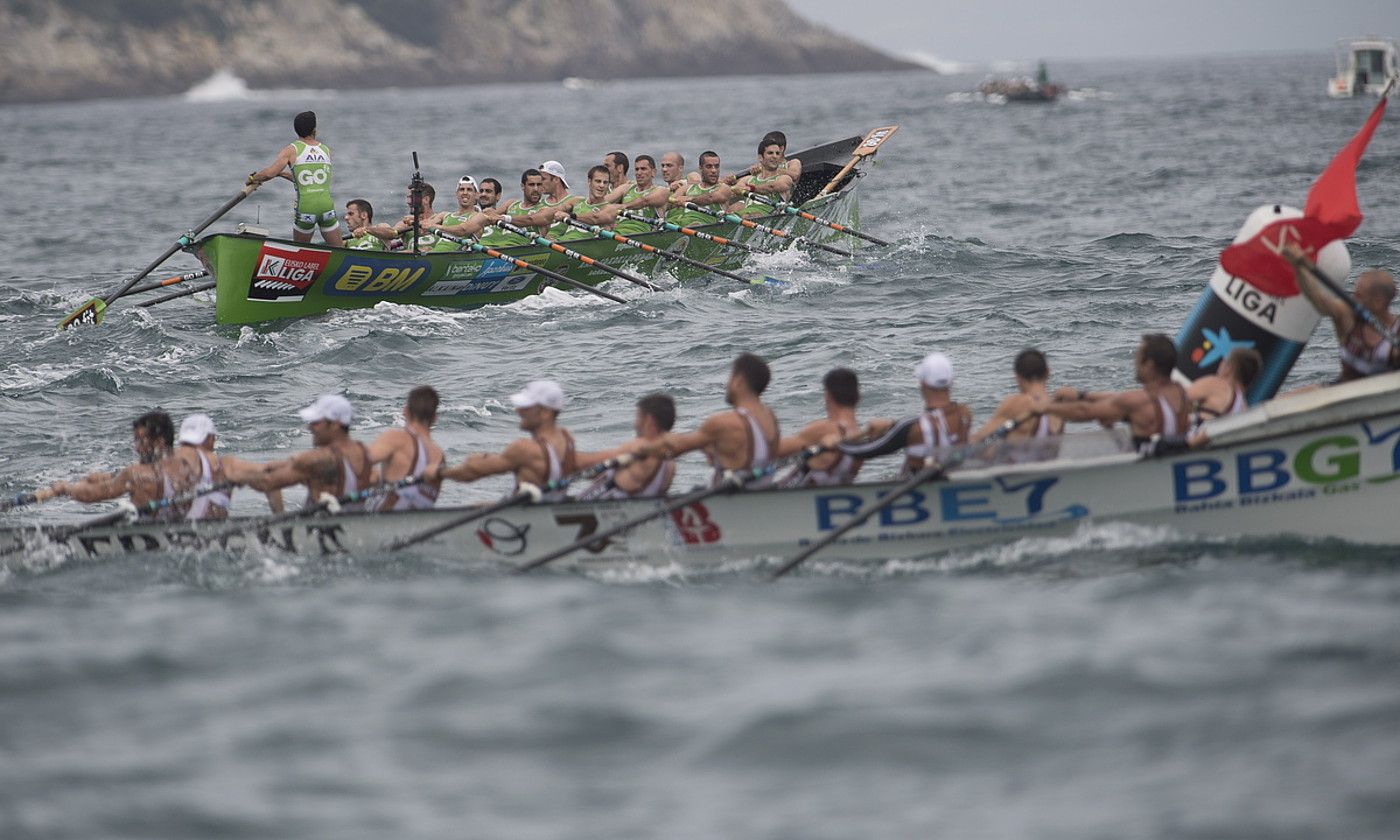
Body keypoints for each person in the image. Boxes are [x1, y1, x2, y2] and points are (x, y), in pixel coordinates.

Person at [633, 353, 781, 486]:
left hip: (729, 504)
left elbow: (675, 449)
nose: (727, 385)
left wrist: (643, 449)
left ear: (739, 381)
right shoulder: (770, 418)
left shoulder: (724, 422)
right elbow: (744, 451)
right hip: (760, 493)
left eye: (730, 378)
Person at [434, 380, 581, 501]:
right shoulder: (566, 438)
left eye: (526, 407)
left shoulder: (524, 449)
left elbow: (469, 474)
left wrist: (439, 473)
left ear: (545, 413)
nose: (518, 411)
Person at [39, 411, 196, 521]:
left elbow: (91, 495)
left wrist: (65, 489)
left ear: (159, 442)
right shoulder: (189, 465)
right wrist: (111, 477)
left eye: (141, 441)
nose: (137, 447)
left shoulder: (135, 474)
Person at [1046, 334, 1190, 452]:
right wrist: (1081, 395)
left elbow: (1083, 411)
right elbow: (1121, 399)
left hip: (1145, 476)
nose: (1135, 365)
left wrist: (1041, 407)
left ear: (1149, 365)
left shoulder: (1137, 402)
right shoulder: (1183, 394)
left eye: (1138, 359)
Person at [839, 353, 974, 477]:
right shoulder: (964, 414)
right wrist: (892, 425)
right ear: (951, 381)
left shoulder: (912, 428)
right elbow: (938, 421)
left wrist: (837, 444)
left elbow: (867, 451)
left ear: (922, 383)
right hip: (952, 478)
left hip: (918, 491)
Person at [1286, 244, 1399, 382]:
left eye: (1359, 295)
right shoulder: (1347, 316)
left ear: (1378, 302)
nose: (1352, 298)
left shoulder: (1397, 329)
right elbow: (1319, 299)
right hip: (1344, 388)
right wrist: (1300, 267)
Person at [249, 395, 373, 509]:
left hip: (322, 529)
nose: (309, 427)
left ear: (335, 425)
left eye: (316, 422)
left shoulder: (316, 459)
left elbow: (266, 482)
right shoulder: (364, 452)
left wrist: (233, 472)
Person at [247, 111, 345, 246]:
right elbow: (310, 179)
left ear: (296, 130)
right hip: (326, 207)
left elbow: (269, 174)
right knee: (339, 250)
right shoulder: (325, 150)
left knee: (299, 254)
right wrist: (282, 174)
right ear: (314, 130)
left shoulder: (291, 150)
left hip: (306, 209)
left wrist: (253, 178)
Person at [171, 414, 284, 518]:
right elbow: (269, 479)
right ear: (211, 439)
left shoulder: (167, 461)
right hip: (212, 536)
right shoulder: (225, 466)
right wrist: (280, 518)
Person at [575, 393, 678, 500]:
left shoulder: (638, 447)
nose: (635, 424)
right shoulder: (669, 462)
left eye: (638, 418)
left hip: (596, 511)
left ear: (649, 420)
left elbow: (590, 463)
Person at [774, 367, 862, 487]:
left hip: (791, 498)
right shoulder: (860, 436)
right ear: (858, 396)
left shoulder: (824, 429)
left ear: (828, 396)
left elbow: (773, 451)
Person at [969, 349, 1064, 453]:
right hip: (1049, 467)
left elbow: (980, 440)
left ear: (1017, 377)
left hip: (1022, 468)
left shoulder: (1018, 402)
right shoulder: (1058, 410)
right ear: (1048, 372)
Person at [365, 386, 444, 511]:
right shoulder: (440, 456)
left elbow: (358, 464)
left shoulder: (397, 438)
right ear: (435, 417)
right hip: (418, 523)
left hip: (380, 519)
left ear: (405, 412)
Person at [354, 182, 439, 253]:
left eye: (412, 198)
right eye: (408, 198)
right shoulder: (405, 223)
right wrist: (368, 229)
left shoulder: (441, 219)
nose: (408, 202)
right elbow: (392, 234)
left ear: (426, 200)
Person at [1186, 347, 1261, 422]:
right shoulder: (1245, 413)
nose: (1221, 362)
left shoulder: (1217, 385)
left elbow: (1179, 400)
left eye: (1225, 360)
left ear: (1229, 367)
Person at [479, 168, 547, 248]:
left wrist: (504, 218)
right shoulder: (511, 204)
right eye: (531, 185)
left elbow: (530, 219)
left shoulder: (545, 210)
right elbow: (491, 216)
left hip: (516, 250)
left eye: (539, 185)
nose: (536, 189)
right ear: (522, 186)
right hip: (497, 248)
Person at [731, 135, 795, 216]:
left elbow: (772, 187)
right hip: (744, 215)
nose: (775, 156)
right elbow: (733, 191)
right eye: (770, 153)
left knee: (751, 215)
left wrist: (750, 188)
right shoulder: (748, 179)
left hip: (766, 216)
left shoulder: (785, 178)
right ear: (761, 157)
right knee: (730, 211)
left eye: (777, 153)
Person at [551, 165, 620, 240]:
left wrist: (570, 217)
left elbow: (595, 218)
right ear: (589, 182)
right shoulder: (576, 201)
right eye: (598, 181)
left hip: (585, 247)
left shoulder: (610, 209)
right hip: (562, 244)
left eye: (605, 182)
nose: (601, 185)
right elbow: (555, 211)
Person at [668, 150, 734, 227]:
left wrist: (689, 199)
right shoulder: (687, 188)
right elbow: (669, 202)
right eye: (709, 167)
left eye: (716, 166)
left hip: (703, 226)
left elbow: (710, 198)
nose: (714, 170)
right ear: (700, 168)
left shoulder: (724, 188)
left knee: (695, 225)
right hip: (680, 223)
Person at [609, 154, 670, 236]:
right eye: (637, 169)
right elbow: (605, 200)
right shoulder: (626, 188)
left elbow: (644, 201)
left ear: (653, 172)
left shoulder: (661, 191)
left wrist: (623, 206)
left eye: (643, 169)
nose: (639, 173)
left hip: (641, 234)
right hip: (617, 233)